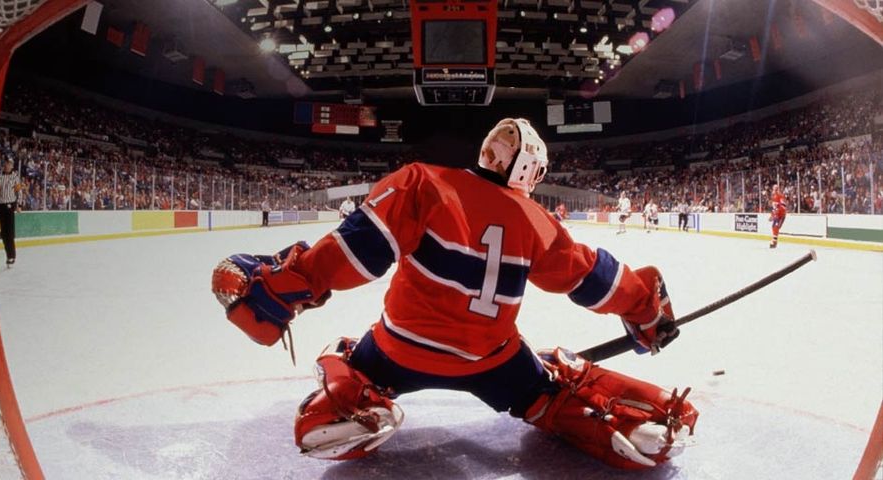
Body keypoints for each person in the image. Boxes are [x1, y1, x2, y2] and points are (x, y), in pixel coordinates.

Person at [211, 118, 697, 469]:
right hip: (493, 360)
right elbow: (592, 278)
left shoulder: (424, 181)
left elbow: (356, 252)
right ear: (531, 172)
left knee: (348, 357)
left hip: (398, 347)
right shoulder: (538, 221)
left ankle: (353, 403)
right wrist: (646, 309)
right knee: (550, 385)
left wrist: (279, 289)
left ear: (488, 153)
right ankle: (613, 422)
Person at [0, 160, 21, 266]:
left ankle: (11, 256)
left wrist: (19, 205)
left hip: (10, 206)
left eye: (9, 164)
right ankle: (8, 255)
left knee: (9, 233)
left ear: (12, 166)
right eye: (6, 163)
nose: (7, 165)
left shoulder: (15, 177)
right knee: (4, 234)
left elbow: (19, 192)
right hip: (1, 206)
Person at [769, 183, 787, 248]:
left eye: (776, 189)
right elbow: (774, 208)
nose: (775, 190)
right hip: (776, 215)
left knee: (776, 226)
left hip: (781, 215)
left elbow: (784, 206)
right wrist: (772, 215)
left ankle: (774, 242)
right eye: (774, 189)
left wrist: (778, 212)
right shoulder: (773, 197)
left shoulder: (780, 196)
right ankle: (774, 242)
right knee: (774, 226)